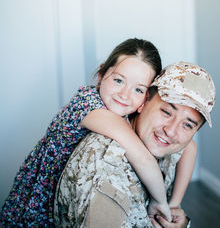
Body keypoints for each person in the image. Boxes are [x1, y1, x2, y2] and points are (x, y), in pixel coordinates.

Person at [1, 38, 175, 227]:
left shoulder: (123, 110)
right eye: (118, 80)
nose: (125, 95)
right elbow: (143, 159)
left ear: (146, 98)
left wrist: (176, 203)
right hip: (39, 205)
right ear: (101, 75)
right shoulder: (89, 107)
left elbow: (190, 146)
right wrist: (160, 202)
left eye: (138, 89)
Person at [54, 61, 216, 227]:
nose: (172, 131)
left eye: (187, 125)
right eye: (166, 112)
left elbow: (189, 148)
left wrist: (175, 210)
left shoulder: (164, 141)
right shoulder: (105, 167)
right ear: (144, 103)